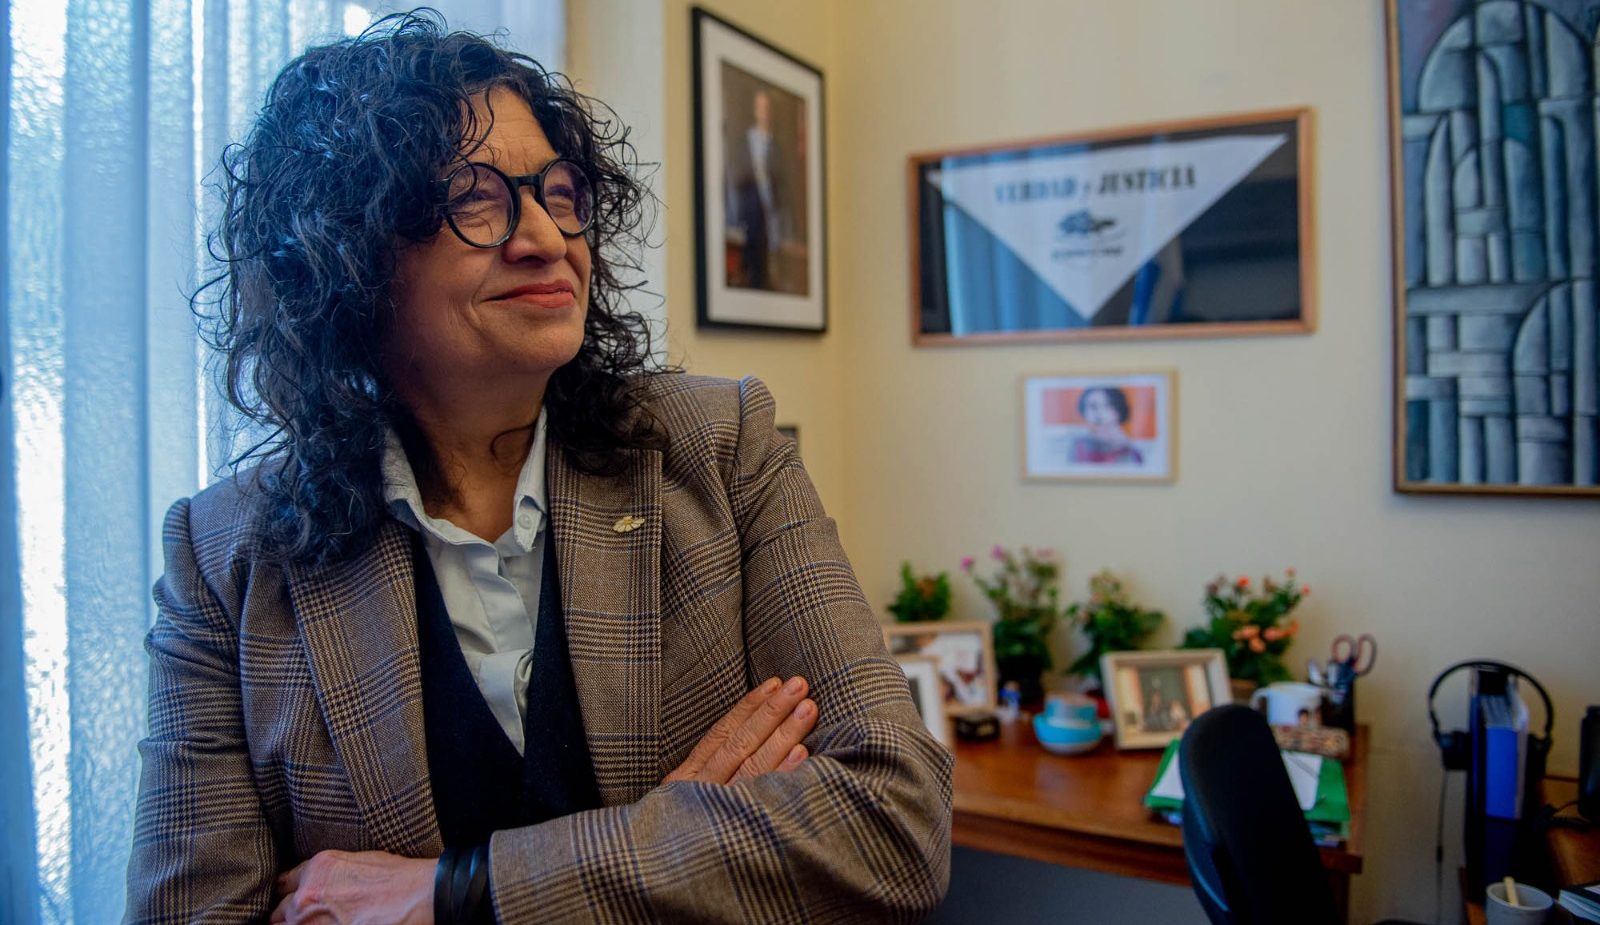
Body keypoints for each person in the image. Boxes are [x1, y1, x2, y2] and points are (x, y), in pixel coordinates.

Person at [124, 13, 950, 924]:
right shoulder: (224, 558)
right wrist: (679, 838)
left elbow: (897, 819)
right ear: (345, 255)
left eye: (559, 192)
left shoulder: (722, 446)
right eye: (475, 198)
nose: (547, 236)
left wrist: (454, 894)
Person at [727, 88, 785, 290]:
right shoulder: (745, 144)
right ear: (754, 110)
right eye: (760, 108)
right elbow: (736, 180)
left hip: (772, 215)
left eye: (767, 108)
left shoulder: (776, 147)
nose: (764, 112)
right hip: (750, 215)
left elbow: (782, 187)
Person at [1069, 385, 1144, 465]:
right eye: (1093, 406)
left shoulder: (1131, 453)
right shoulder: (1079, 447)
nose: (1099, 413)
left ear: (1118, 410)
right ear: (1084, 411)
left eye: (1107, 405)